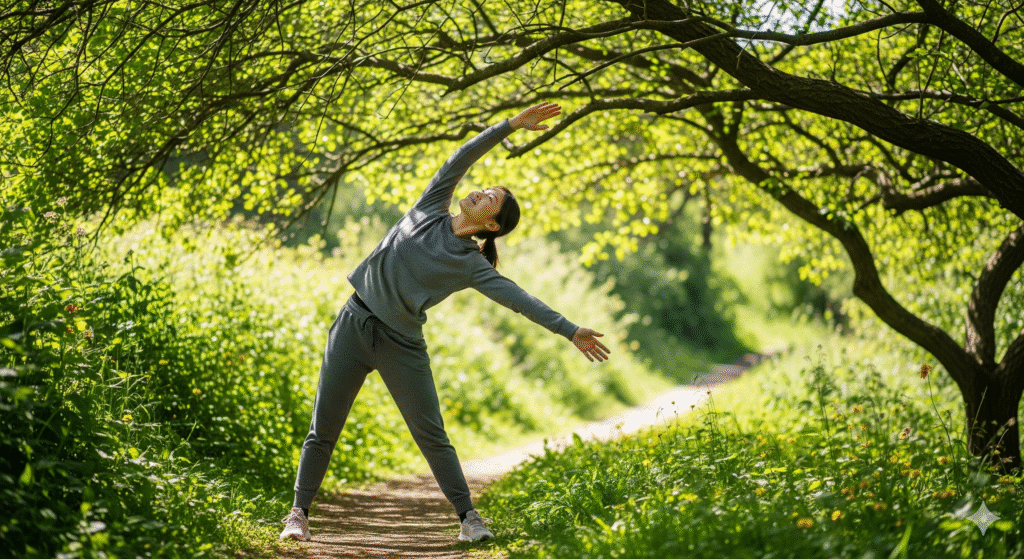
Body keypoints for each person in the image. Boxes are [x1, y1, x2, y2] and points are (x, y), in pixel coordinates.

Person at [280, 102, 611, 543]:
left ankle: (469, 519)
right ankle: (298, 515)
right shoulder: (430, 207)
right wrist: (510, 125)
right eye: (484, 188)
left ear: (490, 224)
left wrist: (569, 329)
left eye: (489, 198)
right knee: (323, 429)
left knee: (431, 435)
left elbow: (520, 300)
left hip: (400, 343)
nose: (478, 192)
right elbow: (461, 157)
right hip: (352, 325)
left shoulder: (471, 264)